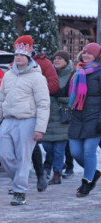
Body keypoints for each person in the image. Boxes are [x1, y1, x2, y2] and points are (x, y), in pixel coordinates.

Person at [0, 36, 50, 206]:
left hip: (27, 120)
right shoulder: (8, 75)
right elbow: (0, 101)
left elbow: (44, 104)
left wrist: (40, 128)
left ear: (28, 58)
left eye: (22, 56)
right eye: (16, 55)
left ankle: (20, 191)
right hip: (8, 119)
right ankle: (19, 180)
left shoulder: (37, 78)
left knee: (23, 157)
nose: (18, 58)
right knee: (3, 154)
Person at [66, 42, 101, 197]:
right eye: (85, 53)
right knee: (75, 152)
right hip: (77, 117)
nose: (86, 55)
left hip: (94, 117)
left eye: (90, 54)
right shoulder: (77, 72)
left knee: (88, 152)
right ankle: (94, 173)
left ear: (97, 56)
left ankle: (86, 182)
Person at [29, 45, 60, 192]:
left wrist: (36, 89)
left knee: (34, 145)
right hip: (16, 110)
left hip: (35, 109)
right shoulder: (13, 65)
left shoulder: (44, 63)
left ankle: (41, 173)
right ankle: (17, 180)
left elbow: (54, 86)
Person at [41, 50, 73, 185]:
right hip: (47, 115)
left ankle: (57, 173)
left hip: (62, 116)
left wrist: (61, 97)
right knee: (47, 146)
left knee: (59, 149)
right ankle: (55, 167)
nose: (56, 60)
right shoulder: (48, 73)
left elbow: (74, 96)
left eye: (60, 58)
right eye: (55, 58)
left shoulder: (72, 75)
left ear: (66, 61)